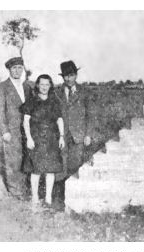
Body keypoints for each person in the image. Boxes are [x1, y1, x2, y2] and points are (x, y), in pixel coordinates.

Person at [53, 60, 94, 210]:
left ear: (76, 75)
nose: (68, 79)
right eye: (65, 76)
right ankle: (58, 201)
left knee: (75, 167)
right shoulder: (56, 92)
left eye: (71, 75)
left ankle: (74, 202)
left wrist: (88, 134)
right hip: (62, 136)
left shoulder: (84, 92)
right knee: (60, 169)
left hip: (79, 136)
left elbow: (90, 114)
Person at [21, 74, 65, 210]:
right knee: (36, 170)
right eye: (42, 84)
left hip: (52, 139)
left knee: (50, 170)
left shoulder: (55, 101)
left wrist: (62, 136)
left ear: (50, 85)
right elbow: (26, 120)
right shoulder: (32, 101)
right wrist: (29, 138)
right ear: (38, 85)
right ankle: (35, 198)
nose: (44, 87)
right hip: (36, 138)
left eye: (47, 84)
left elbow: (59, 119)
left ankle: (48, 199)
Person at [0, 57, 32, 200]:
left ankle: (24, 190)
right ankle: (15, 192)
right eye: (14, 68)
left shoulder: (27, 87)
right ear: (9, 70)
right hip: (11, 131)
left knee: (25, 160)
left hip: (26, 130)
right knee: (13, 160)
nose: (17, 70)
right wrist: (4, 131)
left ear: (23, 69)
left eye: (20, 68)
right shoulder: (2, 87)